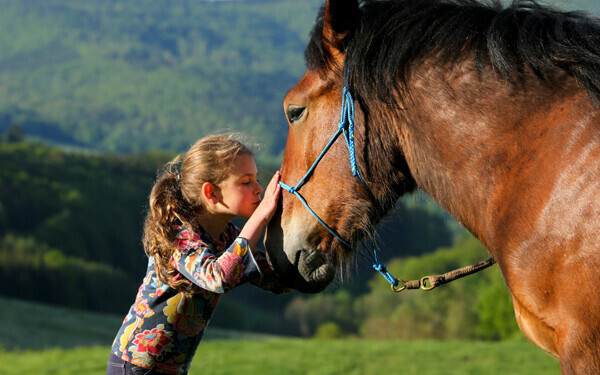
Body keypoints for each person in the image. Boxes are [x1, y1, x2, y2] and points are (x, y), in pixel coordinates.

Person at [107, 134, 289, 375]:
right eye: (246, 182)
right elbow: (218, 277)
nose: (259, 190)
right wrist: (258, 219)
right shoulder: (179, 233)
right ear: (211, 193)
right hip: (137, 365)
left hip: (170, 369)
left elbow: (275, 280)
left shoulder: (226, 237)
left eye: (256, 179)